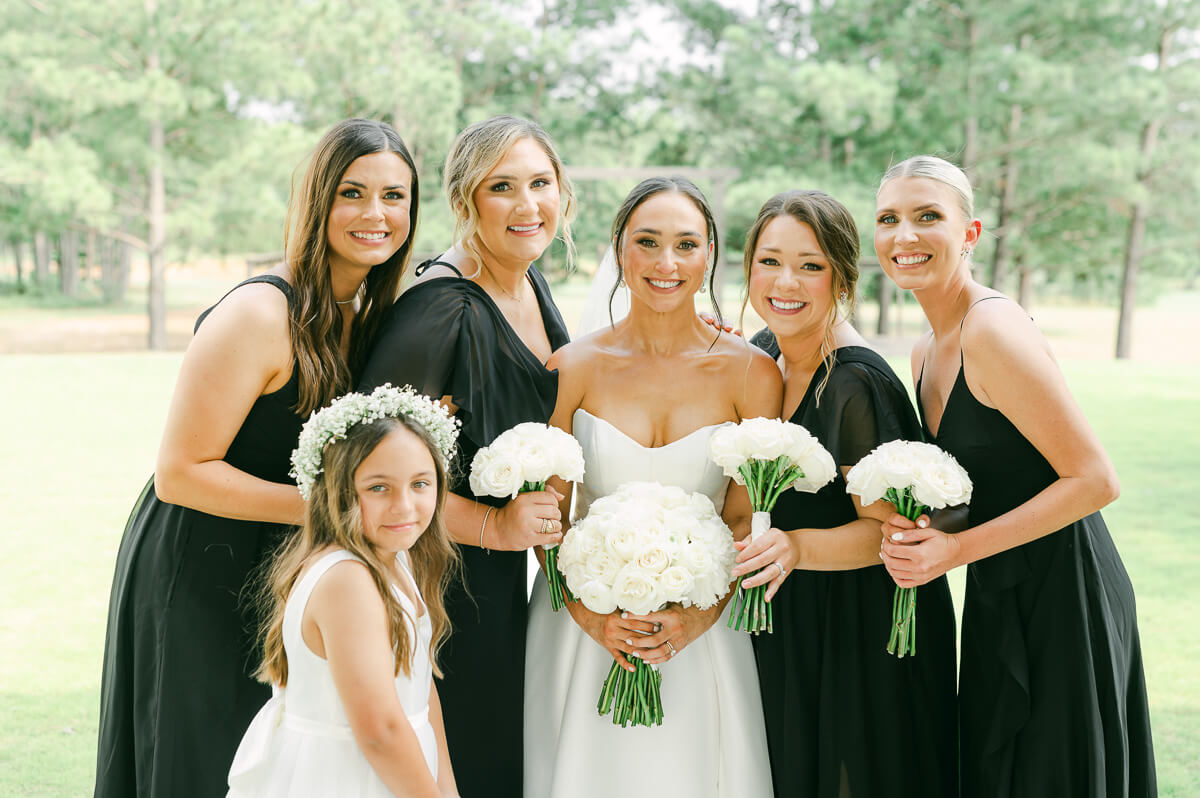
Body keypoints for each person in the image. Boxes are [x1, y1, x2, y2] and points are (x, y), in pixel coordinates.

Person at [95, 118, 421, 798]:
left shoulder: (366, 313)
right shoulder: (259, 314)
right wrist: (334, 513)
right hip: (203, 564)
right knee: (202, 758)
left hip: (290, 569)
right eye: (352, 193)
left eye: (394, 196)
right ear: (317, 201)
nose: (375, 214)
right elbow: (180, 471)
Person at [875, 155, 1156, 796]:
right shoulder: (925, 349)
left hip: (1065, 594)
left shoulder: (993, 329)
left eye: (927, 217)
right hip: (1001, 587)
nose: (905, 236)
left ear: (968, 234)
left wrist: (952, 551)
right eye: (889, 219)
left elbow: (1095, 479)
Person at [523, 177, 780, 798]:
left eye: (686, 245)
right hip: (579, 629)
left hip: (702, 631)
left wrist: (694, 618)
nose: (667, 264)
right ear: (620, 249)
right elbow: (546, 519)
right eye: (648, 242)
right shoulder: (572, 367)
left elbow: (745, 522)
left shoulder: (751, 372)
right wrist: (591, 618)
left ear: (709, 254)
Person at [358, 115, 574, 797]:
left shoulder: (528, 283)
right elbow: (370, 475)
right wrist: (497, 528)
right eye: (502, 186)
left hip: (500, 588)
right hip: (440, 586)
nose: (527, 204)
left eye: (540, 183)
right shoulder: (440, 309)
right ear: (465, 201)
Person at [732, 190, 957, 797]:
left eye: (811, 265)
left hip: (858, 638)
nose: (787, 281)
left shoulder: (855, 382)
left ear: (843, 277)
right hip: (798, 621)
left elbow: (892, 536)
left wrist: (794, 547)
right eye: (769, 261)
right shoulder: (764, 350)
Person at [226, 386, 461, 797]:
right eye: (379, 488)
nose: (405, 506)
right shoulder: (347, 580)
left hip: (400, 773)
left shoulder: (393, 556)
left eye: (420, 484)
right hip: (343, 776)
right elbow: (380, 731)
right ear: (337, 489)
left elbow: (420, 689)